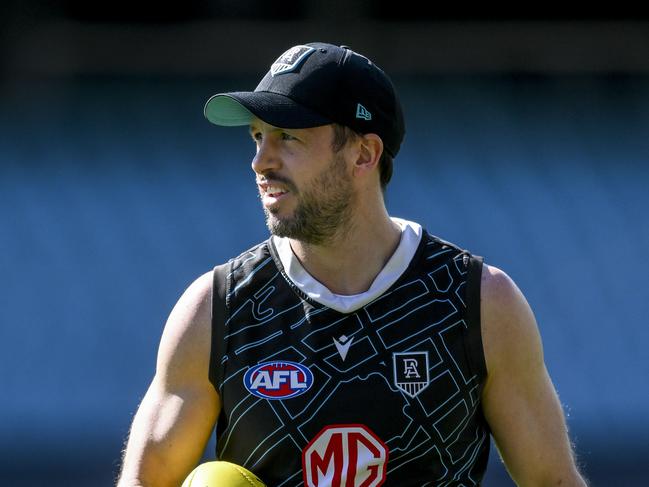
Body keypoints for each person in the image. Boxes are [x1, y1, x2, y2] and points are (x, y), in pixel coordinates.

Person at [117, 42, 588, 487]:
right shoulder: (215, 309)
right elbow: (143, 479)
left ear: (364, 153)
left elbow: (553, 480)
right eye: (257, 137)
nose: (261, 161)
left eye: (287, 137)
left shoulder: (479, 303)